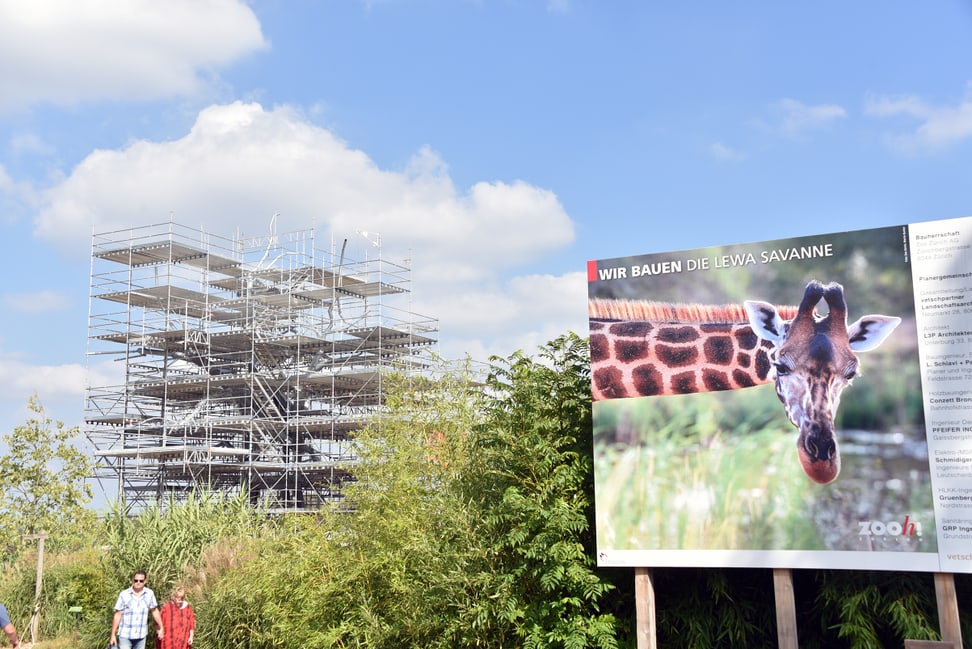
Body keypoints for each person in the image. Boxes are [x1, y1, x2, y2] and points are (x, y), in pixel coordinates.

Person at [111, 571, 164, 649]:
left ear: (145, 581)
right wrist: (113, 634)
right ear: (133, 580)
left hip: (141, 635)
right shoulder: (124, 594)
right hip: (125, 635)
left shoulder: (149, 594)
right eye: (136, 580)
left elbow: (154, 611)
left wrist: (161, 627)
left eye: (141, 581)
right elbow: (118, 614)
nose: (138, 582)